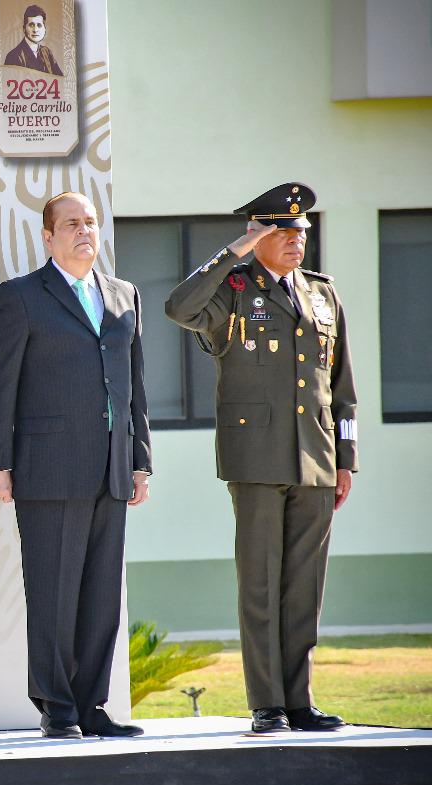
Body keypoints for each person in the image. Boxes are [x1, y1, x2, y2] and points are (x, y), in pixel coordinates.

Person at [165, 182, 356, 736]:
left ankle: (300, 700)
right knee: (260, 585)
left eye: (301, 231)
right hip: (255, 457)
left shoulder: (322, 294)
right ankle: (266, 703)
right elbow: (179, 307)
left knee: (304, 587)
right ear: (258, 234)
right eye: (282, 231)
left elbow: (341, 385)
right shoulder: (230, 289)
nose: (297, 240)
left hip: (316, 459)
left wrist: (346, 458)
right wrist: (233, 253)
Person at [0, 191, 151, 739]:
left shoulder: (124, 296)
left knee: (102, 594)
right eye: (71, 224)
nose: (84, 231)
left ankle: (91, 705)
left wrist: (140, 460)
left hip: (112, 466)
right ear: (48, 237)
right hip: (47, 466)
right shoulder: (23, 296)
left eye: (91, 222)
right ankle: (56, 707)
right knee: (53, 592)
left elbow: (136, 388)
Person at [3, 4, 64, 76]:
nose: (35, 30)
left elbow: (60, 80)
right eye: (31, 25)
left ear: (44, 29)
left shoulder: (47, 52)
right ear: (24, 28)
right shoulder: (13, 56)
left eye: (39, 25)